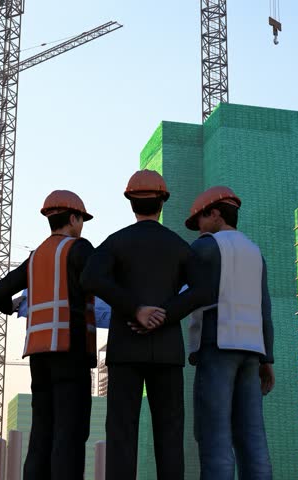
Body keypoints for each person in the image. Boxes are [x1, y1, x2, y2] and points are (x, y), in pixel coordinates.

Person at [80, 169, 200, 480]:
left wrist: (135, 310)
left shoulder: (115, 242)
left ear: (130, 203)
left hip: (125, 351)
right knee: (170, 435)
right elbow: (204, 289)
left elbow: (90, 278)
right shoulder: (178, 246)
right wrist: (164, 315)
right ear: (163, 202)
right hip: (168, 351)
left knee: (121, 434)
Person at [0, 190, 96, 480]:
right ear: (72, 218)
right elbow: (104, 280)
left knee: (42, 430)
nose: (81, 225)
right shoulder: (79, 249)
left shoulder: (36, 258)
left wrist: (10, 308)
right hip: (70, 351)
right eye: (81, 219)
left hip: (38, 355)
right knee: (69, 432)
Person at [168, 185, 275, 479]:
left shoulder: (206, 247)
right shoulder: (255, 253)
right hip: (252, 353)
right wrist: (268, 359)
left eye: (200, 220)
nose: (198, 229)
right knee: (252, 437)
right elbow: (265, 309)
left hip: (217, 345)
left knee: (214, 436)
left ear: (215, 214)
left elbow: (173, 285)